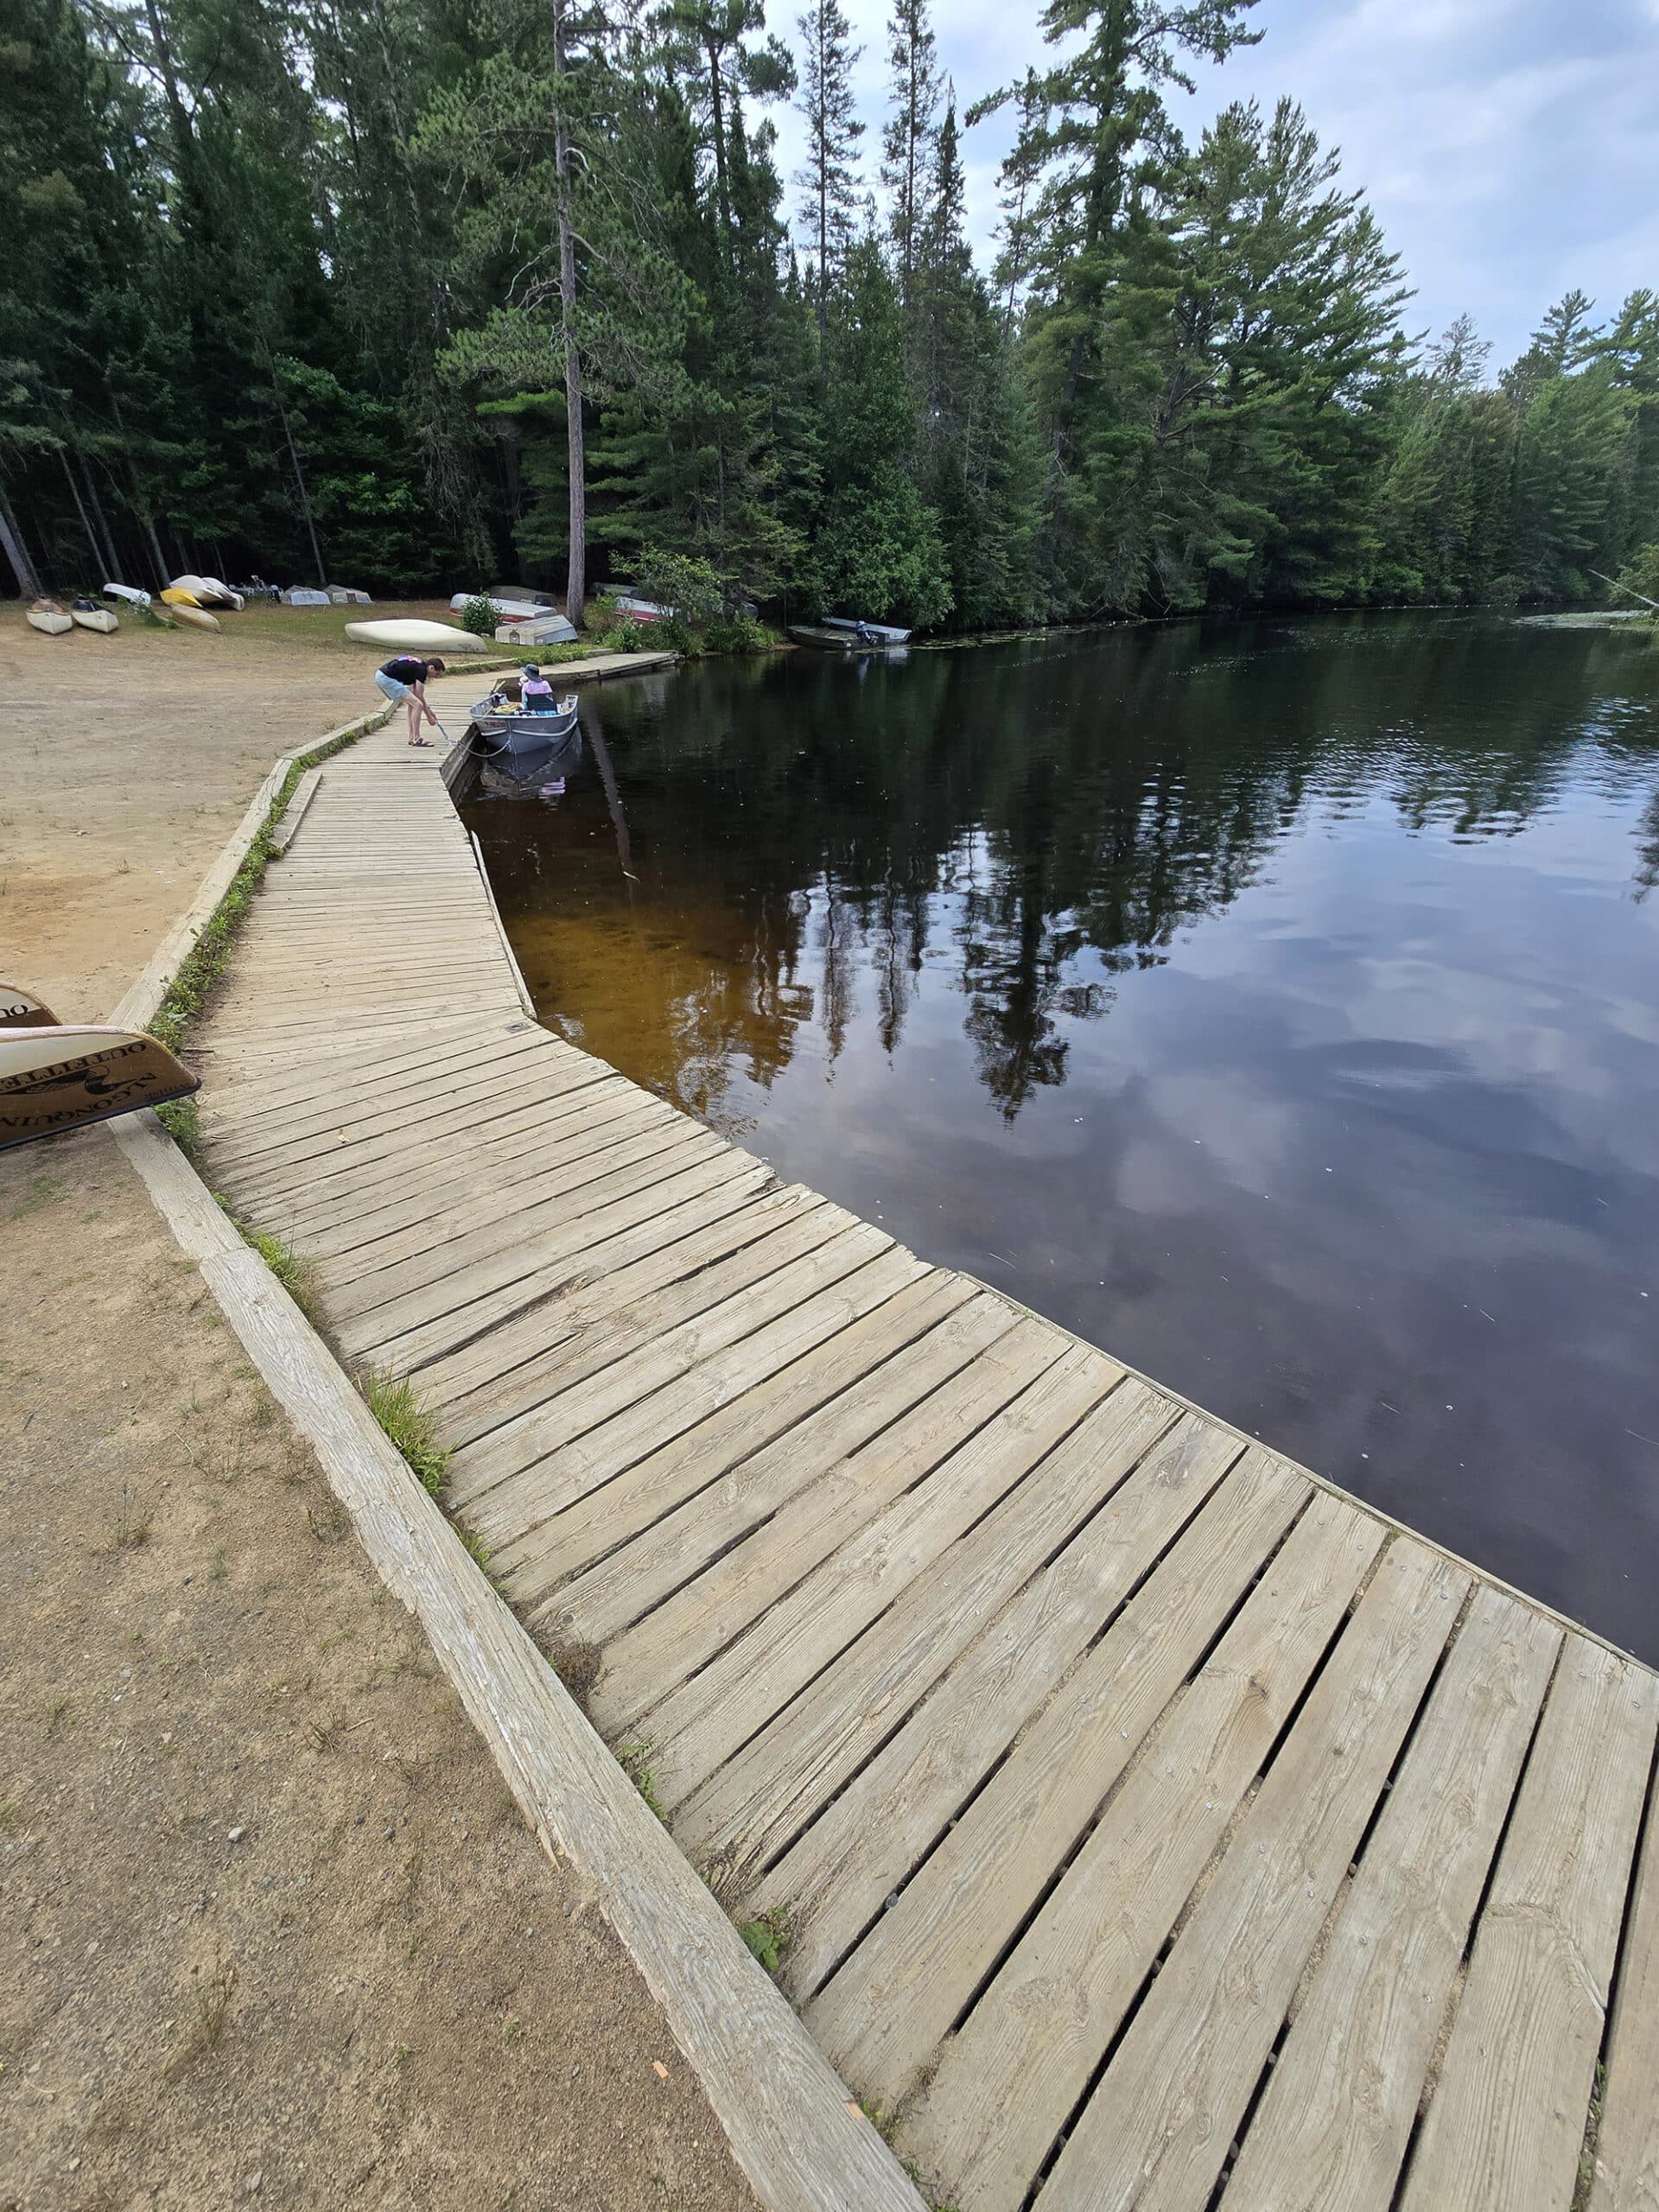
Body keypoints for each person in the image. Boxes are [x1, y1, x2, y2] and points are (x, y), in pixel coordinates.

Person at [374, 654, 447, 745]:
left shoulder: (419, 666)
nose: (436, 677)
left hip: (381, 674)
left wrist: (429, 710)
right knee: (418, 705)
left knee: (413, 705)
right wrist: (429, 716)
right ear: (431, 668)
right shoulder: (422, 670)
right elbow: (419, 695)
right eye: (437, 674)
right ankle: (417, 739)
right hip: (386, 678)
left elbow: (416, 694)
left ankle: (412, 738)